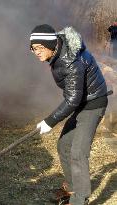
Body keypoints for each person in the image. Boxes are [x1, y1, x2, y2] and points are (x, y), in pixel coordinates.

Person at [30, 24, 108, 205]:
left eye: (40, 47)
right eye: (33, 48)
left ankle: (79, 199)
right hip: (82, 102)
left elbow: (73, 99)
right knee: (64, 145)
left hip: (93, 104)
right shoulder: (59, 53)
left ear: (50, 44)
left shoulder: (70, 60)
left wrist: (50, 121)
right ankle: (72, 186)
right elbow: (74, 96)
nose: (36, 52)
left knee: (78, 152)